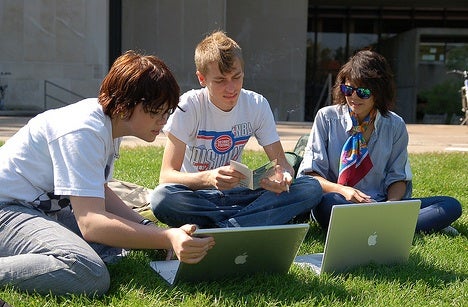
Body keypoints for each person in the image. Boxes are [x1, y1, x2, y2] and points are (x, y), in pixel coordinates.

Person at [0, 51, 214, 296]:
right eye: (155, 112)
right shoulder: (82, 132)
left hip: (37, 210)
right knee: (87, 271)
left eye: (166, 113)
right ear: (124, 107)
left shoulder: (108, 124)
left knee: (117, 247)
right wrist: (167, 237)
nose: (162, 122)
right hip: (7, 209)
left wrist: (150, 229)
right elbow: (92, 223)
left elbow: (98, 189)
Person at [150, 30, 322, 228]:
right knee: (162, 198)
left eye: (237, 77)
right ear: (202, 79)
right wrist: (208, 178)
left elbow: (282, 162)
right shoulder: (189, 106)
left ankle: (222, 229)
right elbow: (167, 176)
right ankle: (248, 222)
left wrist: (283, 176)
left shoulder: (256, 104)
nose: (231, 88)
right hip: (199, 197)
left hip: (239, 195)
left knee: (310, 187)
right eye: (220, 80)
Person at [297, 49, 462, 234]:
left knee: (450, 205)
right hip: (338, 200)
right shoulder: (326, 118)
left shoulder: (394, 124)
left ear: (379, 92)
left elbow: (398, 177)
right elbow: (310, 176)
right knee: (327, 204)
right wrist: (344, 191)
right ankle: (404, 227)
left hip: (381, 203)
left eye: (363, 92)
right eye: (348, 89)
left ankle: (377, 225)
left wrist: (389, 207)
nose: (353, 97)